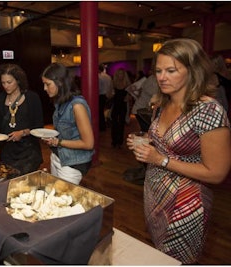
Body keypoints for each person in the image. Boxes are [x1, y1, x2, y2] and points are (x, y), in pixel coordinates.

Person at [126, 38, 231, 264]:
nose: (162, 77)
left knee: (178, 259)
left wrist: (160, 159)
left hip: (186, 200)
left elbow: (217, 173)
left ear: (192, 70)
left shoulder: (209, 110)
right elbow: (164, 141)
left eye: (171, 70)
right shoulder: (161, 103)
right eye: (158, 71)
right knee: (160, 253)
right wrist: (144, 141)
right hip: (154, 193)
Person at [41, 63, 95, 185]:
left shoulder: (77, 106)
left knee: (63, 199)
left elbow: (88, 143)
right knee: (55, 195)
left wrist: (57, 142)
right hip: (57, 156)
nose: (45, 88)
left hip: (72, 162)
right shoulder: (60, 102)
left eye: (47, 84)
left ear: (60, 82)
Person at [0, 63, 43, 175]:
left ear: (18, 80)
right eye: (3, 83)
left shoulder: (32, 98)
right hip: (7, 150)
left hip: (28, 151)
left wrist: (22, 132)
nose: (6, 86)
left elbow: (38, 126)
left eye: (9, 82)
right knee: (9, 181)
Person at [110, 68, 131, 148]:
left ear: (124, 75)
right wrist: (111, 94)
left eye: (122, 74)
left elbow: (130, 96)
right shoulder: (113, 83)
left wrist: (128, 97)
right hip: (115, 105)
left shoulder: (127, 84)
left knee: (121, 124)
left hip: (123, 106)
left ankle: (120, 141)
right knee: (114, 124)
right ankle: (114, 141)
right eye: (119, 74)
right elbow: (109, 95)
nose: (120, 76)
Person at [98, 64, 113, 131]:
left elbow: (98, 87)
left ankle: (102, 126)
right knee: (105, 110)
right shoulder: (108, 76)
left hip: (101, 95)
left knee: (100, 111)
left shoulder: (99, 77)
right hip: (108, 95)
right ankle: (104, 125)